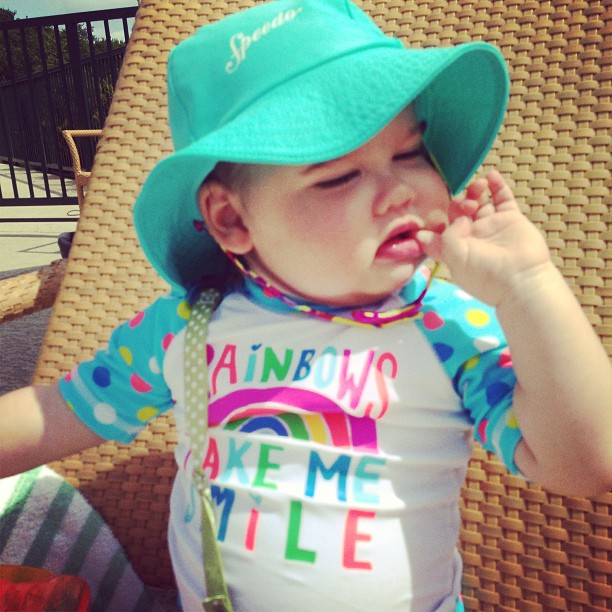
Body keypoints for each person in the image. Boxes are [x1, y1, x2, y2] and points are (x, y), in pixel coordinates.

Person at [1, 0, 611, 609]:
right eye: (338, 176)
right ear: (231, 219)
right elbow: (60, 412)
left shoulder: (446, 326)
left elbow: (586, 465)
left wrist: (528, 285)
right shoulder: (191, 326)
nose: (400, 189)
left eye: (411, 153)